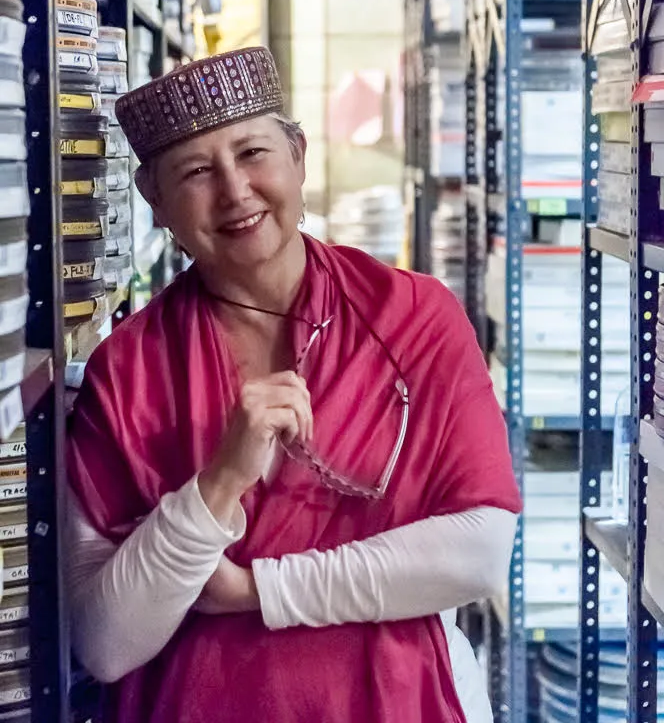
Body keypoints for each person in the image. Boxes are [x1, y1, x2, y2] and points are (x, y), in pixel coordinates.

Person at [67, 46, 521, 723]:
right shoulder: (126, 372)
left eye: (252, 152)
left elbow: (477, 553)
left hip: (404, 701)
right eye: (195, 171)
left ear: (298, 156)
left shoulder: (414, 317)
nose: (234, 191)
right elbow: (105, 644)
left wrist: (260, 589)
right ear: (154, 202)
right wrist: (217, 484)